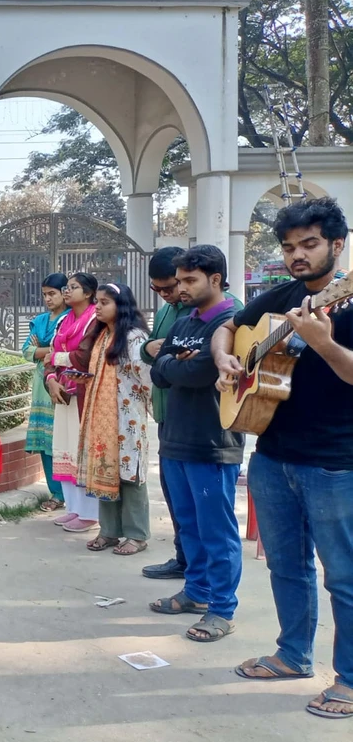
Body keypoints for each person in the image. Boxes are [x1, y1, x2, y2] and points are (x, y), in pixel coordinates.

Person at [214, 197, 353, 719]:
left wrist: (325, 344)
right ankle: (293, 655)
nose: (297, 255)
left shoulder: (345, 301)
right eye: (290, 246)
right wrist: (224, 357)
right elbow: (227, 326)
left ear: (337, 245)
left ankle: (350, 679)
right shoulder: (280, 298)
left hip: (336, 462)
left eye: (309, 244)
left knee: (343, 576)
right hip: (272, 455)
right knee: (286, 567)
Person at [149, 244, 244, 643]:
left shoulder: (232, 321)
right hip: (176, 437)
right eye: (179, 280)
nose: (181, 288)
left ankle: (222, 609)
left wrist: (175, 363)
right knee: (188, 525)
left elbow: (200, 372)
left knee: (215, 531)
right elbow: (158, 372)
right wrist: (174, 363)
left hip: (212, 441)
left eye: (189, 280)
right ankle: (196, 591)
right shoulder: (185, 319)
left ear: (215, 279)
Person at [78, 283, 151, 556]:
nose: (97, 307)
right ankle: (109, 531)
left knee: (130, 474)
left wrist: (148, 407)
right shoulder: (102, 336)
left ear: (121, 306)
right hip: (102, 416)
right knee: (105, 469)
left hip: (127, 417)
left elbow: (147, 378)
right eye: (96, 301)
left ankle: (137, 535)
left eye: (104, 302)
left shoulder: (134, 337)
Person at [45, 272, 99, 533]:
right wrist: (51, 380)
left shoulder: (94, 320)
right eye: (66, 287)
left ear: (88, 293)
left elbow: (85, 356)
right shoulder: (64, 320)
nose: (66, 291)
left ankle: (90, 513)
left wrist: (57, 358)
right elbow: (50, 356)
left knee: (81, 451)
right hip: (63, 393)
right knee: (65, 449)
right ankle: (74, 508)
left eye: (73, 287)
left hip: (84, 394)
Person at [20, 273, 69, 511]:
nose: (48, 299)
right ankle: (55, 492)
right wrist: (47, 350)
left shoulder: (70, 319)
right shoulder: (39, 321)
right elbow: (26, 350)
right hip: (41, 386)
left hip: (63, 383)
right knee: (45, 441)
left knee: (63, 439)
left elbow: (64, 350)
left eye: (52, 294)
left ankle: (68, 493)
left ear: (64, 293)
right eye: (45, 295)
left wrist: (43, 349)